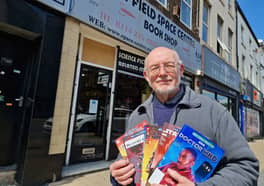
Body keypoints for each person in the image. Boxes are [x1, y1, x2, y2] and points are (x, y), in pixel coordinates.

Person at [109, 47, 259, 186]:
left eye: (169, 65)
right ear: (146, 76)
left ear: (181, 70)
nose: (162, 73)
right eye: (154, 68)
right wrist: (117, 176)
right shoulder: (137, 115)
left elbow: (246, 167)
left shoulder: (214, 112)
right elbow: (125, 163)